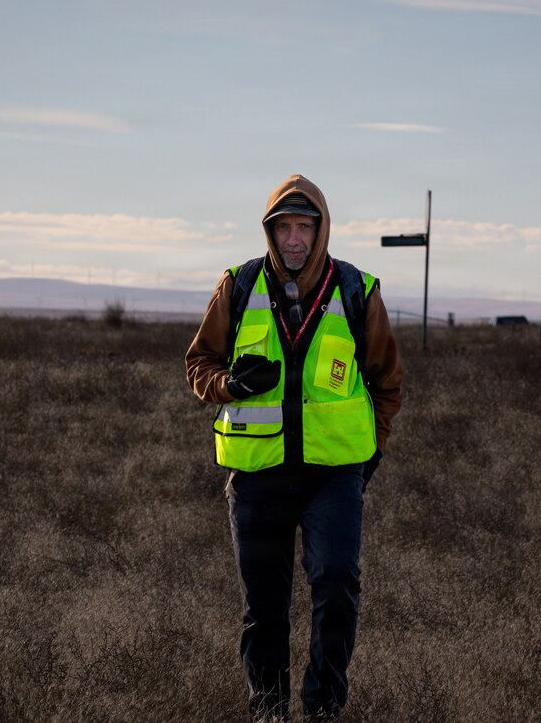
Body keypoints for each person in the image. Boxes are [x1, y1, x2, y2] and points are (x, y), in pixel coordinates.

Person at [186, 174, 403, 720]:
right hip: (257, 475)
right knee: (264, 608)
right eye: (284, 227)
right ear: (270, 232)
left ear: (321, 230)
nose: (294, 239)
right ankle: (268, 710)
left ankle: (324, 707)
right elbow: (199, 365)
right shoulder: (237, 286)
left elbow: (388, 382)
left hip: (333, 478)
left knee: (336, 584)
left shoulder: (357, 290)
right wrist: (231, 385)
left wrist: (365, 458)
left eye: (304, 227)